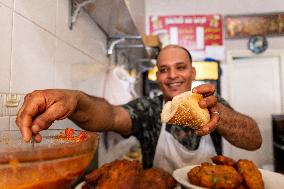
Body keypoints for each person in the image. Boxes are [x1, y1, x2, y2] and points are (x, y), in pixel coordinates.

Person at [16, 45, 262, 173]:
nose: (172, 76)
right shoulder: (149, 109)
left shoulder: (214, 105)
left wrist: (218, 114)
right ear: (157, 75)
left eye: (180, 67)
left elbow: (254, 140)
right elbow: (110, 115)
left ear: (193, 72)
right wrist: (77, 100)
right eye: (164, 69)